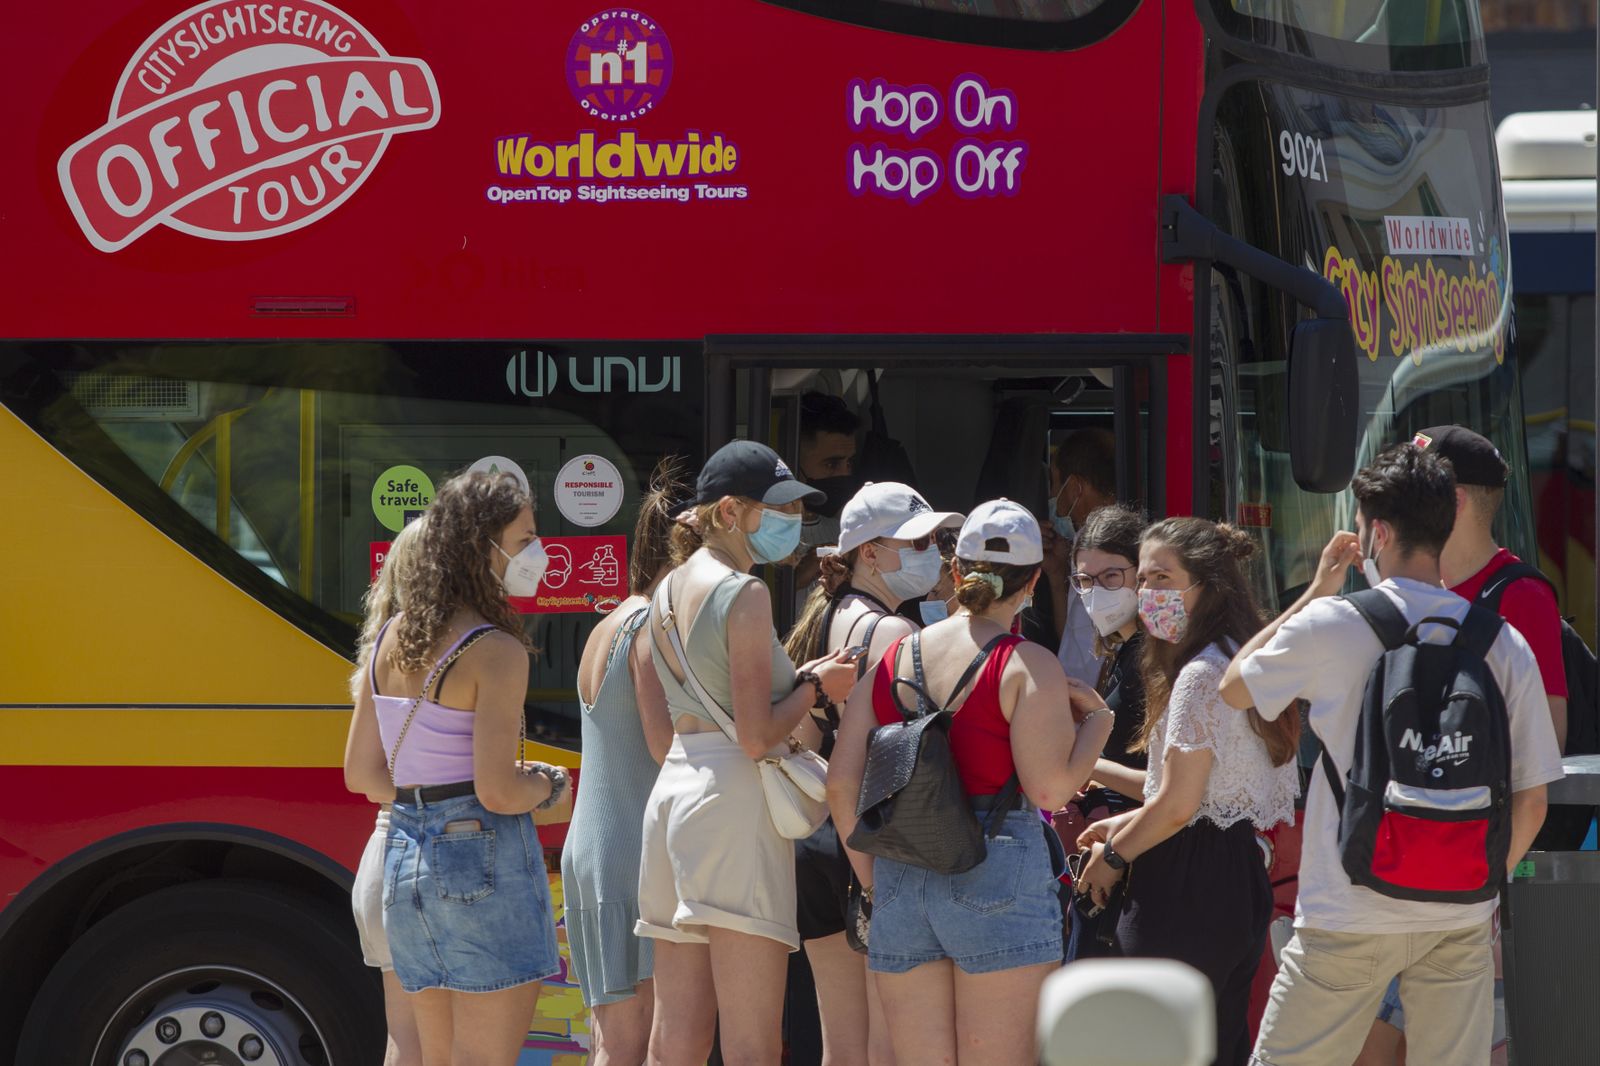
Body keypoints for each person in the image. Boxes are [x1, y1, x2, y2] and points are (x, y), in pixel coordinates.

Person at [1220, 444, 1564, 1066]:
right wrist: (1478, 886)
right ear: (1447, 523)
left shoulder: (1331, 623)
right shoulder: (1502, 641)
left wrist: (1317, 591)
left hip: (1347, 909)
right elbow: (1533, 798)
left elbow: (1235, 686)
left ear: (1376, 530)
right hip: (1459, 915)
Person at [827, 499, 1116, 1065]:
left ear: (955, 571)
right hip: (999, 866)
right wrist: (1098, 724)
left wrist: (873, 882)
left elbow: (842, 784)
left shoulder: (895, 655)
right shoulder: (1025, 663)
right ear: (1033, 581)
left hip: (902, 869)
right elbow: (1051, 791)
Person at [636, 440, 860, 1066]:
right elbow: (757, 736)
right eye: (779, 507)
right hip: (733, 802)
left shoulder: (666, 589)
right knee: (752, 1039)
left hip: (676, 791)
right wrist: (816, 688)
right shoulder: (744, 592)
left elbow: (691, 716)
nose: (792, 520)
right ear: (731, 512)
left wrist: (799, 681)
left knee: (674, 1033)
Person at [1360, 426, 1568, 1065]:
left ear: (1447, 501)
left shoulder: (1518, 597)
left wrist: (1481, 879)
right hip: (1397, 878)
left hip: (1460, 882)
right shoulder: (1418, 593)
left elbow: (1543, 746)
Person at [344, 471, 568, 1066]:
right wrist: (547, 785)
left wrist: (432, 792)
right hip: (479, 862)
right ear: (481, 546)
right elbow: (498, 791)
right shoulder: (495, 650)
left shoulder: (391, 636)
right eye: (523, 540)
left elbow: (361, 774)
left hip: (403, 858)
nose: (536, 554)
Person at [1074, 518, 1299, 1066]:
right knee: (1216, 1044)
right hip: (1235, 874)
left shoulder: (1200, 673)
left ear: (1208, 585)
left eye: (1162, 578)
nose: (1147, 593)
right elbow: (1191, 790)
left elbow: (1177, 807)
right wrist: (1118, 809)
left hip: (1183, 883)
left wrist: (1113, 855)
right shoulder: (1237, 656)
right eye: (1144, 578)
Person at [784, 481, 964, 1066]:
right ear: (870, 552)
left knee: (842, 1043)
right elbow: (923, 755)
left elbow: (810, 739)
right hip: (870, 845)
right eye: (916, 540)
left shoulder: (827, 617)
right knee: (887, 1043)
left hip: (818, 843)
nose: (932, 550)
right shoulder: (893, 633)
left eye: (935, 538)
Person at [560, 459, 691, 1066]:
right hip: (631, 855)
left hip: (592, 847)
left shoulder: (607, 621)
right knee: (631, 1040)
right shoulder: (649, 625)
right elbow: (664, 745)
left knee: (608, 1034)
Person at [345, 516, 427, 1066]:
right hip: (425, 860)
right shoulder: (454, 651)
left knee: (404, 1038)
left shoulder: (380, 651)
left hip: (381, 855)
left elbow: (361, 775)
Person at [1053, 505, 1149, 960]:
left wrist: (1084, 761)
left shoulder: (1154, 659)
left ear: (1141, 574)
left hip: (1136, 857)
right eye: (1084, 581)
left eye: (1111, 577)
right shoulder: (1122, 650)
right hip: (1110, 851)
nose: (1096, 593)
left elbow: (1167, 786)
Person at [1031, 428, 1118, 686]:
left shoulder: (1100, 541)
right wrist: (1058, 575)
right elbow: (1073, 636)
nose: (1052, 496)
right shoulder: (1082, 541)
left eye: (1055, 484)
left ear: (1076, 487)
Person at [796, 392, 863, 587]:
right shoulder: (768, 534)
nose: (844, 474)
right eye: (832, 464)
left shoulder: (847, 533)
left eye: (849, 462)